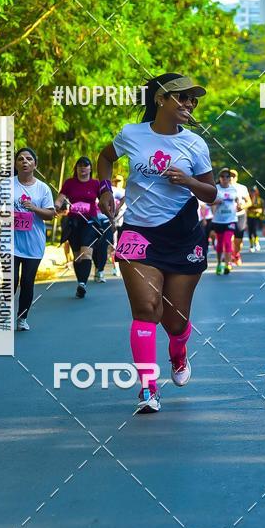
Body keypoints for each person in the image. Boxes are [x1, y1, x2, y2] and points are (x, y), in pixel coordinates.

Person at [97, 73, 216, 414]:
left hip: (183, 235)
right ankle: (148, 386)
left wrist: (189, 181)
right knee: (147, 309)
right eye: (182, 97)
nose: (189, 103)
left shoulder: (195, 144)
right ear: (160, 99)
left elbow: (211, 193)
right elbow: (105, 158)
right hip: (139, 232)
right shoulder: (131, 134)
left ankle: (178, 352)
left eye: (193, 99)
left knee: (175, 321)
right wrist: (104, 189)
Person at [12, 148, 55, 330]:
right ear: (15, 164)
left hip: (33, 244)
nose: (25, 161)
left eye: (29, 159)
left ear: (35, 164)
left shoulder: (42, 188)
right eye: (20, 159)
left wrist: (33, 208)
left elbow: (51, 214)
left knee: (27, 282)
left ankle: (22, 319)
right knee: (10, 281)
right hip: (10, 243)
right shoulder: (6, 186)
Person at [54, 157, 101, 299]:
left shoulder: (95, 184)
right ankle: (80, 283)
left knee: (86, 253)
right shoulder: (69, 183)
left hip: (90, 222)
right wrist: (55, 206)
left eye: (86, 165)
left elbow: (103, 199)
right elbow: (60, 198)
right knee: (77, 256)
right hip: (73, 223)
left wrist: (110, 212)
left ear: (90, 168)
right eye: (80, 165)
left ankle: (82, 284)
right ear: (76, 168)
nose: (83, 168)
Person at [211, 168, 239, 275]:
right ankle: (219, 263)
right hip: (218, 220)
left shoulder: (233, 189)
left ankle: (228, 264)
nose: (225, 178)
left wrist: (240, 205)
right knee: (219, 243)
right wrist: (215, 201)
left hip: (231, 219)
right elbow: (208, 201)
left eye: (227, 176)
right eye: (223, 176)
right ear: (219, 178)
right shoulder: (216, 188)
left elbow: (238, 201)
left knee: (227, 242)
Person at [230, 168, 250, 265]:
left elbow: (249, 202)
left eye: (233, 176)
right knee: (229, 238)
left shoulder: (242, 188)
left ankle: (236, 254)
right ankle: (230, 257)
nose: (231, 178)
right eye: (229, 176)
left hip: (240, 215)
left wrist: (243, 206)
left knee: (238, 240)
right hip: (228, 216)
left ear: (237, 178)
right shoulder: (222, 188)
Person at [247, 186, 264, 252]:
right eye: (251, 191)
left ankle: (256, 243)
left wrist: (260, 210)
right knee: (250, 232)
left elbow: (264, 208)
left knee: (254, 231)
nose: (252, 193)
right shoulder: (247, 199)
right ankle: (251, 245)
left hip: (256, 218)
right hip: (248, 217)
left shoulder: (260, 200)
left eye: (254, 191)